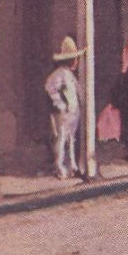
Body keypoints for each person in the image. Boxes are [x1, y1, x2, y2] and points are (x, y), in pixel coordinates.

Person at [45, 35, 86, 180]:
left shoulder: (70, 75)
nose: (77, 61)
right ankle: (60, 167)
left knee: (71, 139)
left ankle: (72, 166)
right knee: (62, 139)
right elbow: (51, 87)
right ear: (70, 60)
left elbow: (77, 92)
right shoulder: (60, 74)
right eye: (75, 59)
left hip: (73, 112)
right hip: (65, 113)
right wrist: (60, 104)